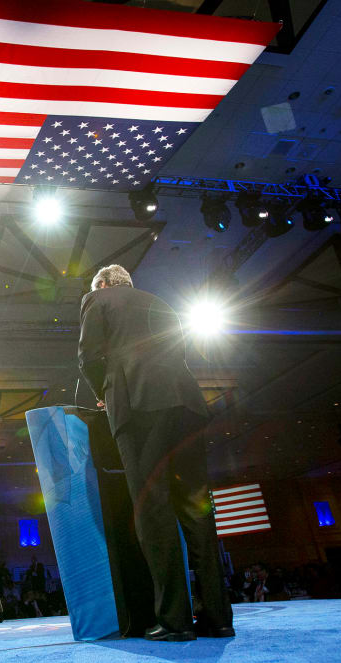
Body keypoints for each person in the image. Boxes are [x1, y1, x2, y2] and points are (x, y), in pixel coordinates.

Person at [78, 264, 232, 642]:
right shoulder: (160, 302)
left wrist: (102, 392)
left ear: (101, 284)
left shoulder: (96, 298)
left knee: (153, 509)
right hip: (187, 405)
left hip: (138, 403)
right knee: (197, 509)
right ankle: (218, 617)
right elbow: (179, 351)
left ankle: (175, 620)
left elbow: (89, 355)